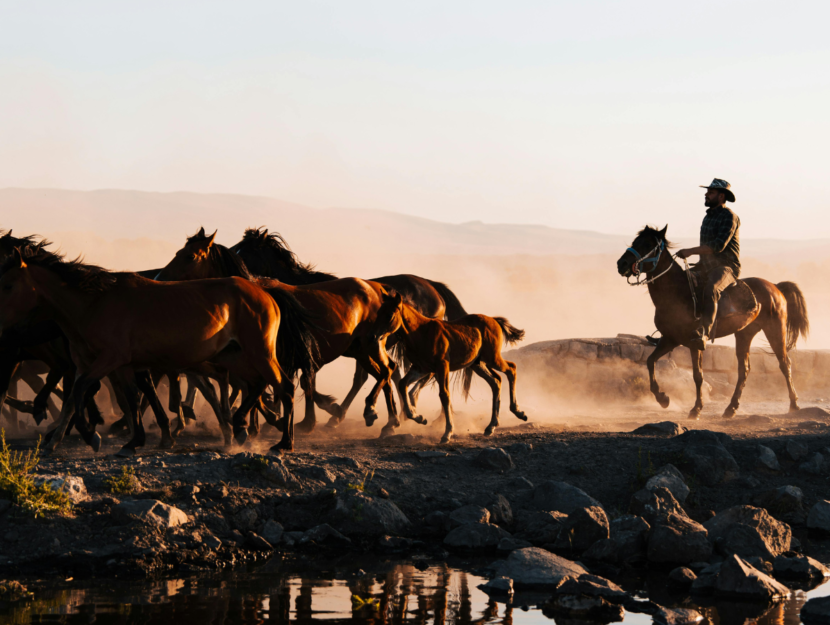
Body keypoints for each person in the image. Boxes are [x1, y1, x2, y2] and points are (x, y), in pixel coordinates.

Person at [676, 178, 740, 351]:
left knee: (711, 288)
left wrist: (690, 251)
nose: (706, 194)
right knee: (680, 282)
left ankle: (704, 332)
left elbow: (718, 246)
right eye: (708, 192)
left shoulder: (729, 217)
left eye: (710, 192)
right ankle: (672, 330)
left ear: (721, 196)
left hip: (726, 267)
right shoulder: (708, 217)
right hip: (705, 266)